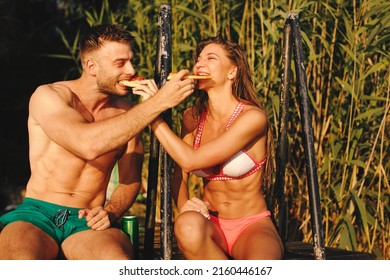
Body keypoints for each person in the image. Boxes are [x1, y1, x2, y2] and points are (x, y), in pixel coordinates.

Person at [0, 24, 195, 260]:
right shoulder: (49, 96)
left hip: (88, 220)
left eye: (131, 61)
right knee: (19, 262)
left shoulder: (129, 115)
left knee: (116, 263)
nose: (131, 70)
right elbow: (86, 145)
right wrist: (157, 103)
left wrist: (110, 212)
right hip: (36, 214)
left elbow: (130, 180)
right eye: (120, 63)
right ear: (92, 66)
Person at [136, 35, 284, 260]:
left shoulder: (252, 118)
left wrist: (152, 113)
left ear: (232, 72)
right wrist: (185, 205)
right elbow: (180, 174)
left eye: (211, 58)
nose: (199, 64)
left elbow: (191, 161)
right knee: (186, 225)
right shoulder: (192, 118)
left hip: (250, 225)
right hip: (209, 224)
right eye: (198, 59)